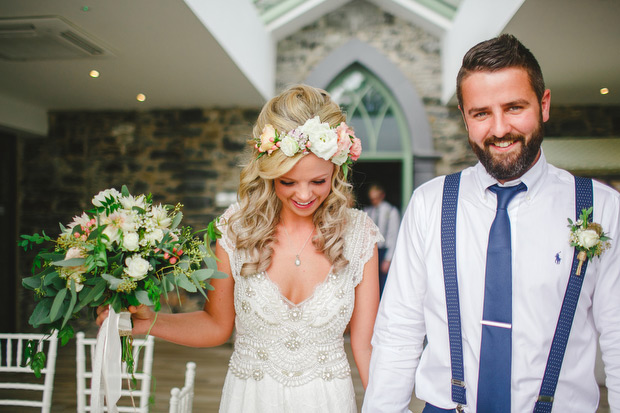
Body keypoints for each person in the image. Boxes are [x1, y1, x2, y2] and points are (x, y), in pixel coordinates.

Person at [363, 34, 620, 412]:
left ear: (544, 105)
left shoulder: (602, 208)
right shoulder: (429, 204)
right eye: (481, 113)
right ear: (465, 118)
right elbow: (398, 332)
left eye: (514, 107)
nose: (499, 129)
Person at [97, 84, 382, 412]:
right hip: (251, 400)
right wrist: (149, 323)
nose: (303, 195)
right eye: (288, 181)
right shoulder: (236, 229)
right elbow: (217, 326)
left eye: (317, 181)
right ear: (268, 172)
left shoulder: (359, 234)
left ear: (336, 169)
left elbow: (366, 346)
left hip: (329, 401)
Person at [363, 183, 400, 296]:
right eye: (372, 199)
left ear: (382, 195)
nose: (374, 201)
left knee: (384, 282)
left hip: (385, 249)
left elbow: (394, 235)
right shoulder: (368, 211)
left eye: (376, 198)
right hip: (371, 250)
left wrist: (388, 259)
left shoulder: (391, 211)